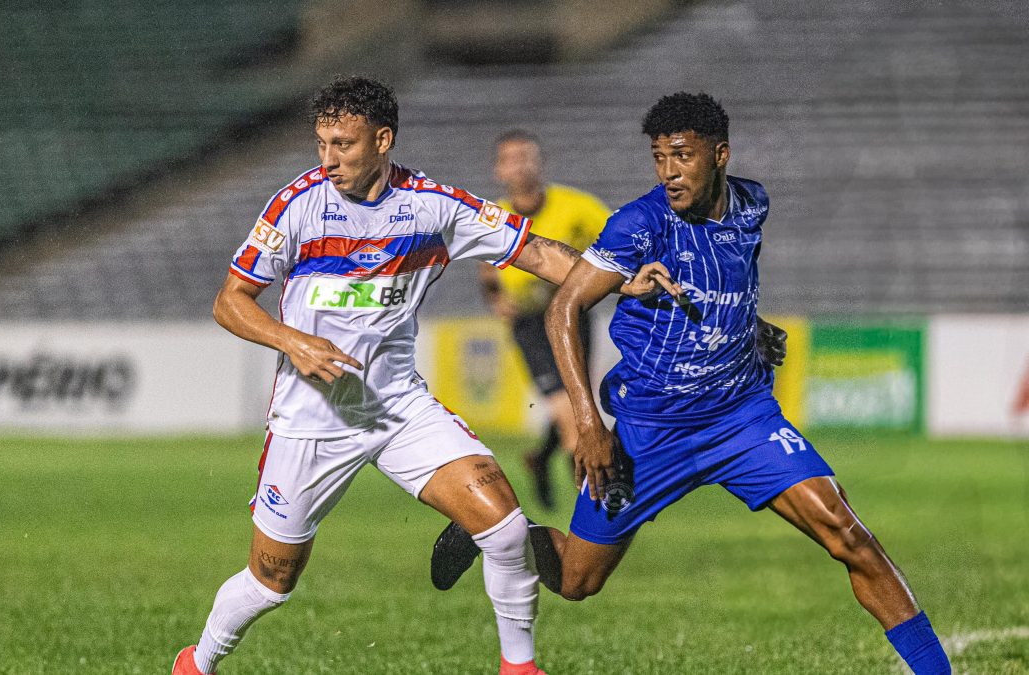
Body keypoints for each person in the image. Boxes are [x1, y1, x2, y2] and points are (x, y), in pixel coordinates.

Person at [431, 92, 951, 674]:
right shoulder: (640, 224)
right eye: (659, 158)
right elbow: (563, 310)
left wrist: (749, 327)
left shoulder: (752, 204)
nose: (669, 172)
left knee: (847, 534)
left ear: (720, 154)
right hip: (650, 430)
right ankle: (499, 536)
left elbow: (730, 277)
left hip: (741, 419)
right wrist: (586, 425)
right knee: (577, 581)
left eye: (682, 156)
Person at [171, 75, 606, 675]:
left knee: (505, 529)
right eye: (322, 144)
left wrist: (620, 279)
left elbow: (538, 254)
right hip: (312, 420)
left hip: (398, 409)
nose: (328, 160)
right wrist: (291, 339)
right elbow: (231, 301)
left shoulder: (432, 206)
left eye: (343, 145)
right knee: (271, 581)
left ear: (383, 140)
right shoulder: (297, 204)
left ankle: (520, 667)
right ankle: (196, 664)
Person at [480, 129, 611, 509]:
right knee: (571, 416)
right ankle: (597, 510)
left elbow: (614, 243)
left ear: (540, 162)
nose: (521, 165)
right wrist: (495, 299)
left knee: (576, 399)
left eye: (527, 156)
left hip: (574, 314)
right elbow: (487, 272)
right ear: (499, 170)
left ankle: (539, 459)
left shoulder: (577, 206)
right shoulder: (493, 218)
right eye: (512, 159)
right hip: (530, 324)